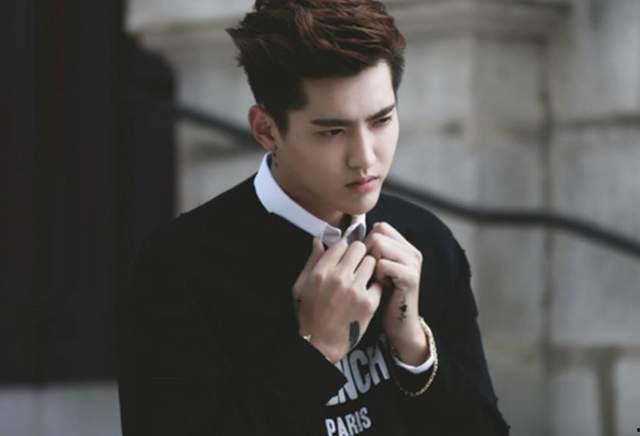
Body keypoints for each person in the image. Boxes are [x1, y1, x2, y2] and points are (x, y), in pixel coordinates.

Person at [116, 0, 510, 435]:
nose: (365, 158)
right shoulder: (178, 267)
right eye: (332, 131)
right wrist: (316, 350)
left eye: (381, 120)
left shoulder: (423, 240)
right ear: (266, 129)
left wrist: (414, 349)